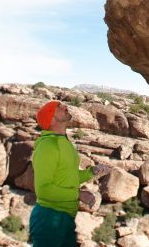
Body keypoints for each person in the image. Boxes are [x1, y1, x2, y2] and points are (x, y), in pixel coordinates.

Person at [29, 100, 110, 246]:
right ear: (51, 119)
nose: (65, 106)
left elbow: (68, 178)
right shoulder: (47, 146)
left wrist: (91, 172)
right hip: (49, 218)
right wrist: (79, 195)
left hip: (64, 218)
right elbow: (43, 190)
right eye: (58, 107)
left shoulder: (64, 142)